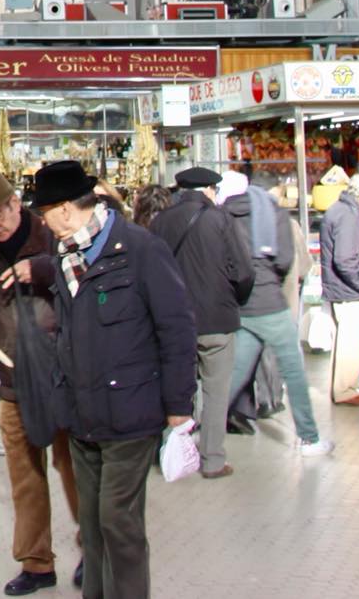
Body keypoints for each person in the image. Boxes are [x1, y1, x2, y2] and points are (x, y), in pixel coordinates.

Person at [25, 160, 193, 599]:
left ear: (63, 209)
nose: (43, 222)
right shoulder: (65, 254)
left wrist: (179, 408)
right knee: (94, 527)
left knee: (119, 522)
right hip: (82, 416)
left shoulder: (139, 249)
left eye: (44, 212)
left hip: (131, 413)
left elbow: (176, 327)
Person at [0, 169, 78, 594]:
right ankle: (36, 563)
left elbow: (88, 278)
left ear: (15, 204)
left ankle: (95, 548)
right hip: (12, 381)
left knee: (75, 468)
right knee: (24, 476)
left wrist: (40, 270)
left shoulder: (54, 239)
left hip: (65, 379)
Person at [147, 167, 252, 481]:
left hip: (174, 321)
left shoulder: (160, 222)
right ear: (210, 189)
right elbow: (244, 271)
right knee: (216, 391)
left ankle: (174, 451)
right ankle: (212, 459)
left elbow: (151, 271)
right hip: (217, 319)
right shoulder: (221, 220)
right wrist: (235, 299)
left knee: (179, 387)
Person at [219, 171, 331, 457]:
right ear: (274, 190)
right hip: (271, 303)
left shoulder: (224, 214)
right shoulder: (275, 214)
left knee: (234, 376)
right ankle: (309, 436)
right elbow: (284, 260)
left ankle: (198, 430)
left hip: (241, 303)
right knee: (294, 372)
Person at [321, 165, 359, 406]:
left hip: (341, 289)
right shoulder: (349, 215)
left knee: (346, 342)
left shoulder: (340, 210)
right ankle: (346, 390)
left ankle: (345, 387)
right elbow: (345, 260)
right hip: (350, 291)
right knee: (351, 344)